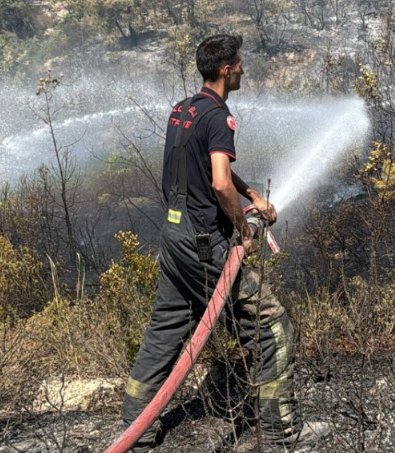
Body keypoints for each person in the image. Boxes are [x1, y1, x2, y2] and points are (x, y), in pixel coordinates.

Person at [120, 34, 328, 452]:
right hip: (203, 243)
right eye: (239, 63)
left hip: (174, 238)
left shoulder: (183, 111)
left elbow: (210, 167)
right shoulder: (219, 116)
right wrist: (243, 228)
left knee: (164, 332)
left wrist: (251, 195)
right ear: (225, 69)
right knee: (273, 327)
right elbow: (217, 180)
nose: (243, 69)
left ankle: (134, 434)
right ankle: (280, 432)